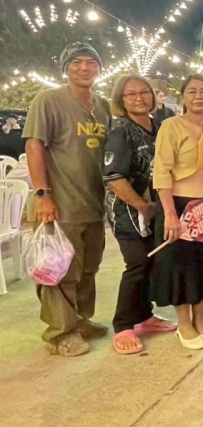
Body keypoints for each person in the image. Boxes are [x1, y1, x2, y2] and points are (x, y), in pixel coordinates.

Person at [23, 42, 111, 357]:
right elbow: (34, 146)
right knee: (58, 270)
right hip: (60, 203)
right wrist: (42, 194)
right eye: (76, 62)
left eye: (91, 62)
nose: (85, 67)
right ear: (65, 68)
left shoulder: (102, 105)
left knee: (88, 268)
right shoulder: (48, 100)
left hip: (93, 203)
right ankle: (60, 333)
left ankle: (80, 320)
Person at [151, 74, 203, 350]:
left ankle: (200, 322)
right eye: (192, 91)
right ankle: (184, 325)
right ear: (183, 96)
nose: (198, 96)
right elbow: (161, 172)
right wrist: (170, 215)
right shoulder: (171, 126)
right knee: (180, 266)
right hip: (177, 205)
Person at [103, 75, 177, 355]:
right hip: (127, 210)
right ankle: (123, 325)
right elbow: (113, 177)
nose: (139, 98)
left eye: (144, 92)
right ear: (120, 100)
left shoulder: (158, 126)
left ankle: (144, 314)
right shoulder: (121, 130)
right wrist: (141, 206)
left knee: (153, 261)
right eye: (131, 94)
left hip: (155, 207)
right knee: (137, 264)